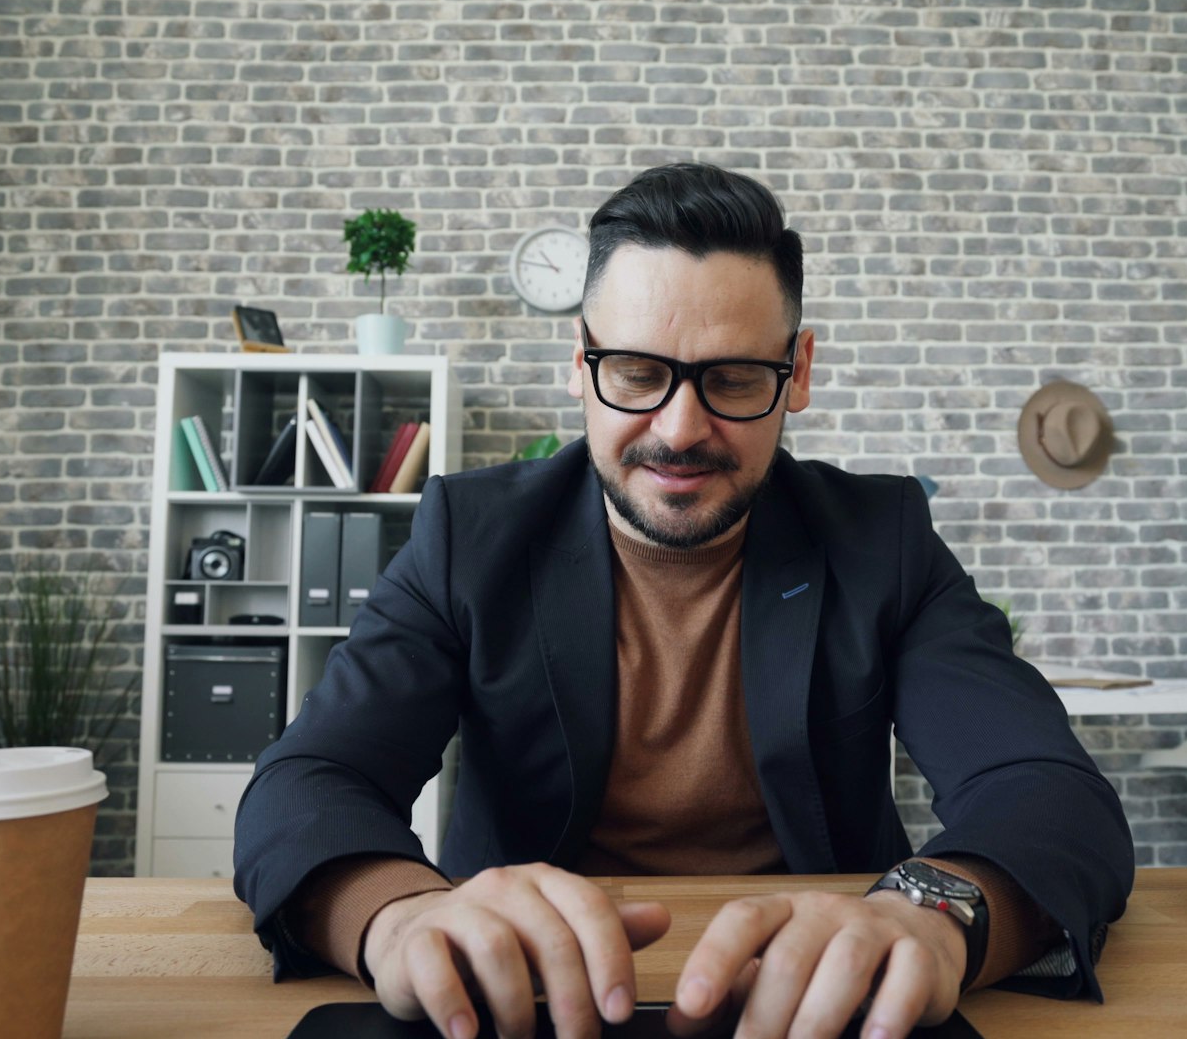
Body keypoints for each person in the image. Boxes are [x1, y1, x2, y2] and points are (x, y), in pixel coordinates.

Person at [234, 163, 1133, 1039]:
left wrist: (927, 917)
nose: (678, 429)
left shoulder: (881, 541)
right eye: (634, 371)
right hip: (525, 1002)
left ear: (799, 371)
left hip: (820, 1004)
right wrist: (399, 920)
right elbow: (312, 782)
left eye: (735, 378)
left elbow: (1045, 790)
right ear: (582, 365)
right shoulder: (469, 538)